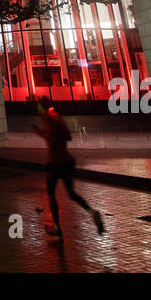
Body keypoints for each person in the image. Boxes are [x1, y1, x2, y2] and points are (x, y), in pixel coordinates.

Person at [32, 96, 104, 239]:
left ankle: (57, 229)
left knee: (51, 194)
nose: (37, 108)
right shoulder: (56, 116)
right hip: (67, 161)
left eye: (38, 105)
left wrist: (40, 132)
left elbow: (50, 135)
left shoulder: (46, 117)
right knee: (71, 194)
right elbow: (68, 137)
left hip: (55, 161)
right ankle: (92, 212)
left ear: (41, 106)